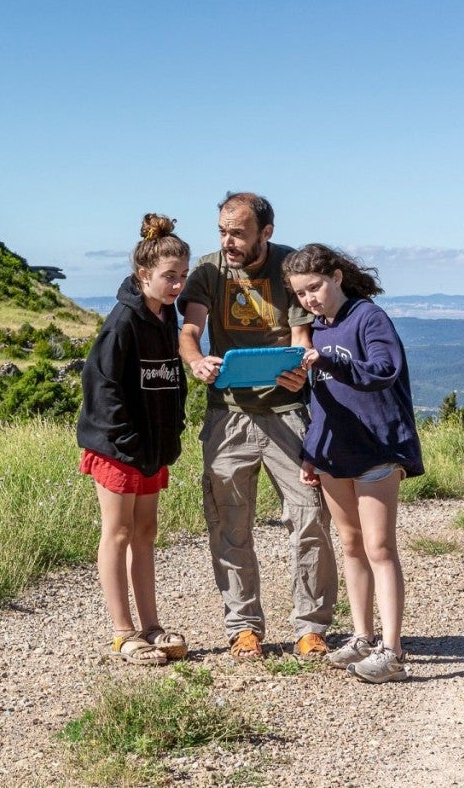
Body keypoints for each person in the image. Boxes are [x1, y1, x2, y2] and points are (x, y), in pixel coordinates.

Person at [177, 192, 337, 660]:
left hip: (287, 410)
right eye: (223, 231)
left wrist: (301, 367)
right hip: (227, 413)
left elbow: (300, 335)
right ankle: (243, 626)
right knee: (230, 522)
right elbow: (190, 330)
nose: (229, 241)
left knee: (309, 515)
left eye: (239, 233)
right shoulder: (208, 270)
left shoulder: (289, 267)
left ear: (265, 232)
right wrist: (196, 361)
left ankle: (311, 627)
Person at [281, 243, 424, 683]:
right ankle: (362, 637)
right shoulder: (316, 332)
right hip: (331, 454)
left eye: (315, 288)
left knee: (380, 548)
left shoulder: (368, 317)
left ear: (337, 277)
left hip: (377, 449)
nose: (309, 300)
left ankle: (392, 651)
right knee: (351, 546)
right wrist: (310, 451)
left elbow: (384, 369)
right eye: (301, 294)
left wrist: (328, 361)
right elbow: (320, 401)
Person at [77, 213, 192, 666]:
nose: (177, 285)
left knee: (146, 532)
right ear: (144, 274)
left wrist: (172, 431)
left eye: (182, 276)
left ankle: (152, 626)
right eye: (169, 277)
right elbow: (100, 385)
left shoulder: (165, 315)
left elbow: (171, 378)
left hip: (152, 449)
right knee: (119, 532)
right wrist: (125, 439)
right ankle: (124, 633)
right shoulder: (123, 320)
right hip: (118, 448)